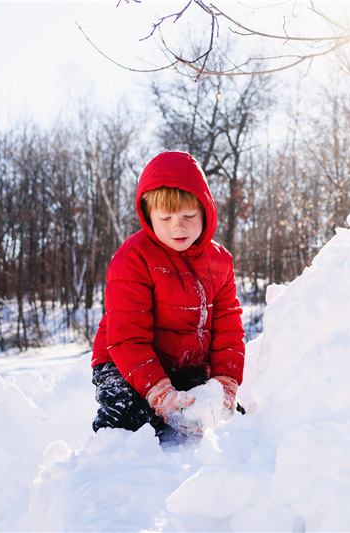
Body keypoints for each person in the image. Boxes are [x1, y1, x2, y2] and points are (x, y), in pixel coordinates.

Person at [91, 151, 245, 442]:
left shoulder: (220, 262)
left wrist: (225, 381)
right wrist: (159, 392)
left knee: (228, 420)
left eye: (189, 215)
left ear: (206, 211)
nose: (179, 226)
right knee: (131, 417)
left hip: (186, 366)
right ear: (148, 216)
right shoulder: (134, 258)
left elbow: (229, 329)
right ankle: (110, 456)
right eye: (166, 217)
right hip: (124, 362)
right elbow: (127, 336)